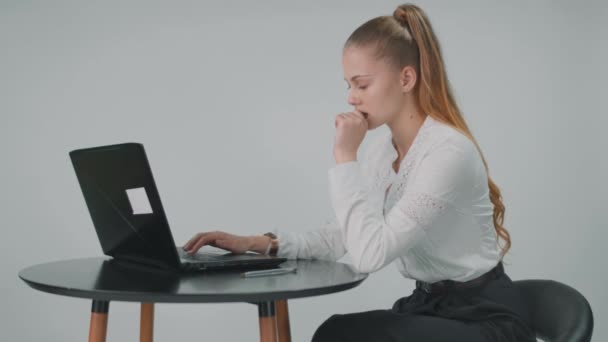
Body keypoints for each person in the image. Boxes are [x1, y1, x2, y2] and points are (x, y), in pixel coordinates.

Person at [183, 3, 536, 341]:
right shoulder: (384, 152)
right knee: (339, 332)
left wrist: (344, 155)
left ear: (406, 79)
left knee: (343, 335)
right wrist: (260, 244)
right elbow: (344, 236)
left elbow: (369, 255)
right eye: (348, 85)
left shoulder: (447, 153)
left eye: (361, 84)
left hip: (484, 319)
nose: (351, 97)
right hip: (428, 307)